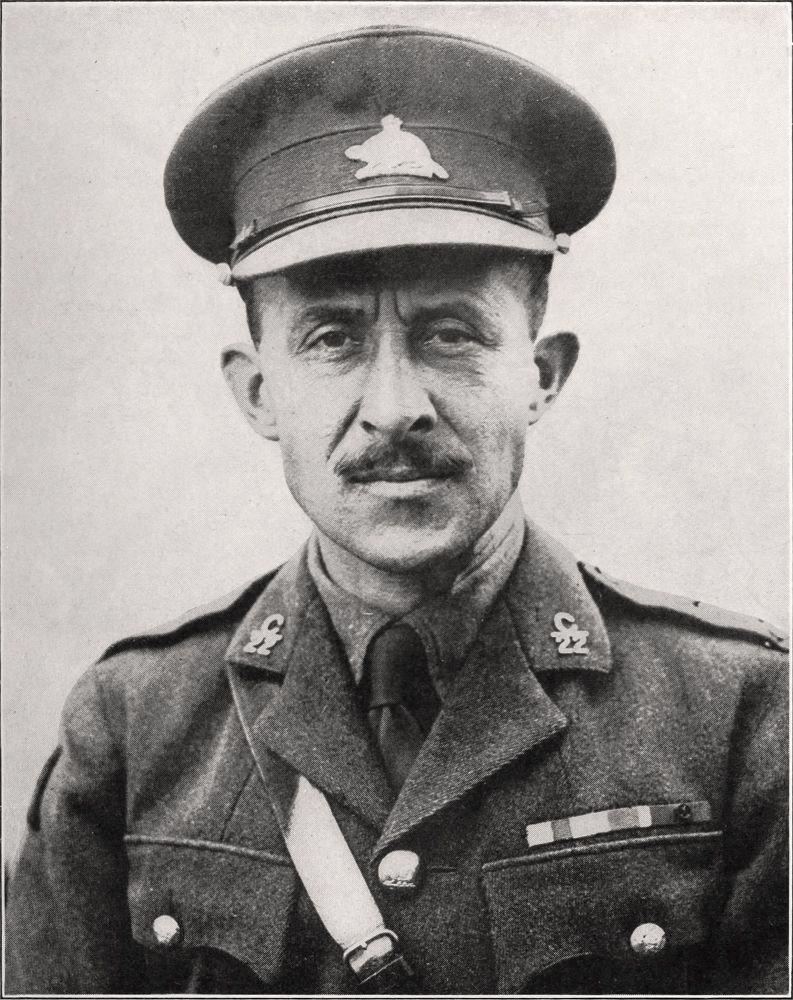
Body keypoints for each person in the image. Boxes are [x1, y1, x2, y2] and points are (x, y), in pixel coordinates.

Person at [5, 24, 788, 996]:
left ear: (541, 375)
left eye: (450, 333)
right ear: (257, 392)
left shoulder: (739, 717)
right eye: (331, 338)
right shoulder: (135, 727)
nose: (393, 406)